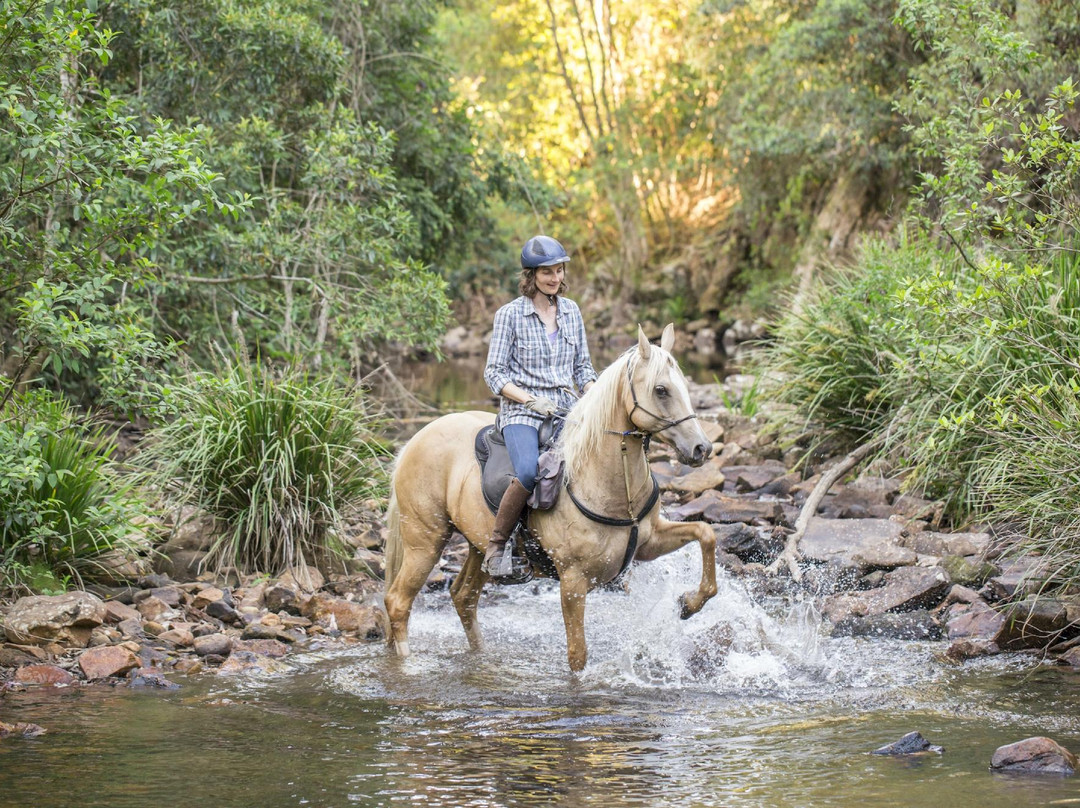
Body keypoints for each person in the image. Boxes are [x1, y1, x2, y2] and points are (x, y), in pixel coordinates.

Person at [481, 235, 598, 576]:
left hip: (565, 408)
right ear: (530, 275)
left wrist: (594, 394)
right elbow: (494, 374)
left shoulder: (571, 311)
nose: (555, 277)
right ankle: (499, 545)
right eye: (547, 271)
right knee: (530, 471)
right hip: (523, 411)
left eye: (559, 270)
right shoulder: (510, 315)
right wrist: (530, 399)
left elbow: (583, 369)